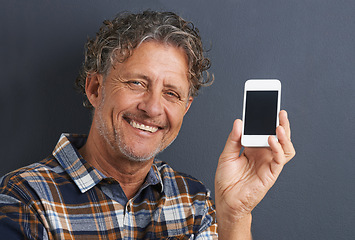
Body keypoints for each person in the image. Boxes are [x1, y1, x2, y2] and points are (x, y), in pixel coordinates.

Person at [0, 10, 295, 239]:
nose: (153, 107)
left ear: (185, 108)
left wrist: (235, 215)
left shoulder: (194, 201)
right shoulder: (25, 198)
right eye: (137, 83)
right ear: (95, 89)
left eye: (171, 93)